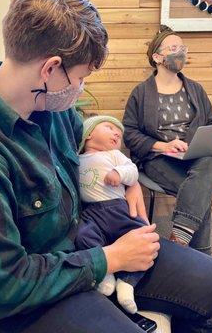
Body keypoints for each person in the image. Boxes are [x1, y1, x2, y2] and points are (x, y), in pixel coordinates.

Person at [0, 0, 212, 333]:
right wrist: (109, 258)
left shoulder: (49, 105)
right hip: (26, 295)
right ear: (50, 69)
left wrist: (128, 177)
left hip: (86, 242)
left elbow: (93, 150)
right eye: (81, 77)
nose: (81, 88)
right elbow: (2, 287)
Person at [123, 25, 212, 253]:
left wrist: (206, 142)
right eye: (174, 48)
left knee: (209, 165)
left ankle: (180, 241)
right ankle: (200, 255)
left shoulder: (195, 89)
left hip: (194, 156)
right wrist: (164, 145)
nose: (181, 53)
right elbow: (130, 133)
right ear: (157, 57)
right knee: (200, 194)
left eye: (182, 48)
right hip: (158, 158)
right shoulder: (141, 93)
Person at [76, 115, 150, 314]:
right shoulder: (76, 159)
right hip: (90, 212)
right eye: (109, 127)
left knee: (147, 240)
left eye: (119, 133)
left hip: (117, 208)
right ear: (89, 134)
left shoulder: (115, 156)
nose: (117, 133)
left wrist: (119, 173)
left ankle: (127, 283)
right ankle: (105, 273)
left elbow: (132, 171)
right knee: (83, 235)